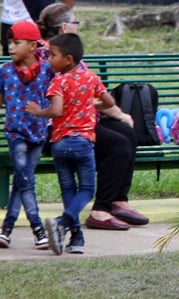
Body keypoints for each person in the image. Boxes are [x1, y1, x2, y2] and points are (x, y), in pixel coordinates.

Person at [36, 3, 148, 232]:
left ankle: (118, 200)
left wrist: (119, 115)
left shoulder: (58, 52)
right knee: (118, 145)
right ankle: (100, 210)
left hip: (77, 121)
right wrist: (118, 113)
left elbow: (89, 96)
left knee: (126, 132)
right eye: (75, 23)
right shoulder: (57, 56)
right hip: (59, 129)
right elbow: (84, 97)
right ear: (65, 27)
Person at [0, 20, 51, 250]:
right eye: (10, 43)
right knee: (26, 180)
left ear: (33, 46)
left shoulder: (47, 70)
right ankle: (38, 229)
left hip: (38, 133)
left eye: (17, 43)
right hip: (15, 133)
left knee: (21, 179)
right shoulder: (6, 71)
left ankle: (6, 230)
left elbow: (58, 96)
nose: (11, 48)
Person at [26, 32, 106, 256]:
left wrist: (37, 112)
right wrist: (91, 106)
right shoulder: (91, 78)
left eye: (52, 55)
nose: (48, 59)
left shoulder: (58, 81)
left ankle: (76, 238)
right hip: (83, 143)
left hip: (60, 144)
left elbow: (56, 111)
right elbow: (108, 101)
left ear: (68, 59)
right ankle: (62, 223)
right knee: (87, 189)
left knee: (69, 189)